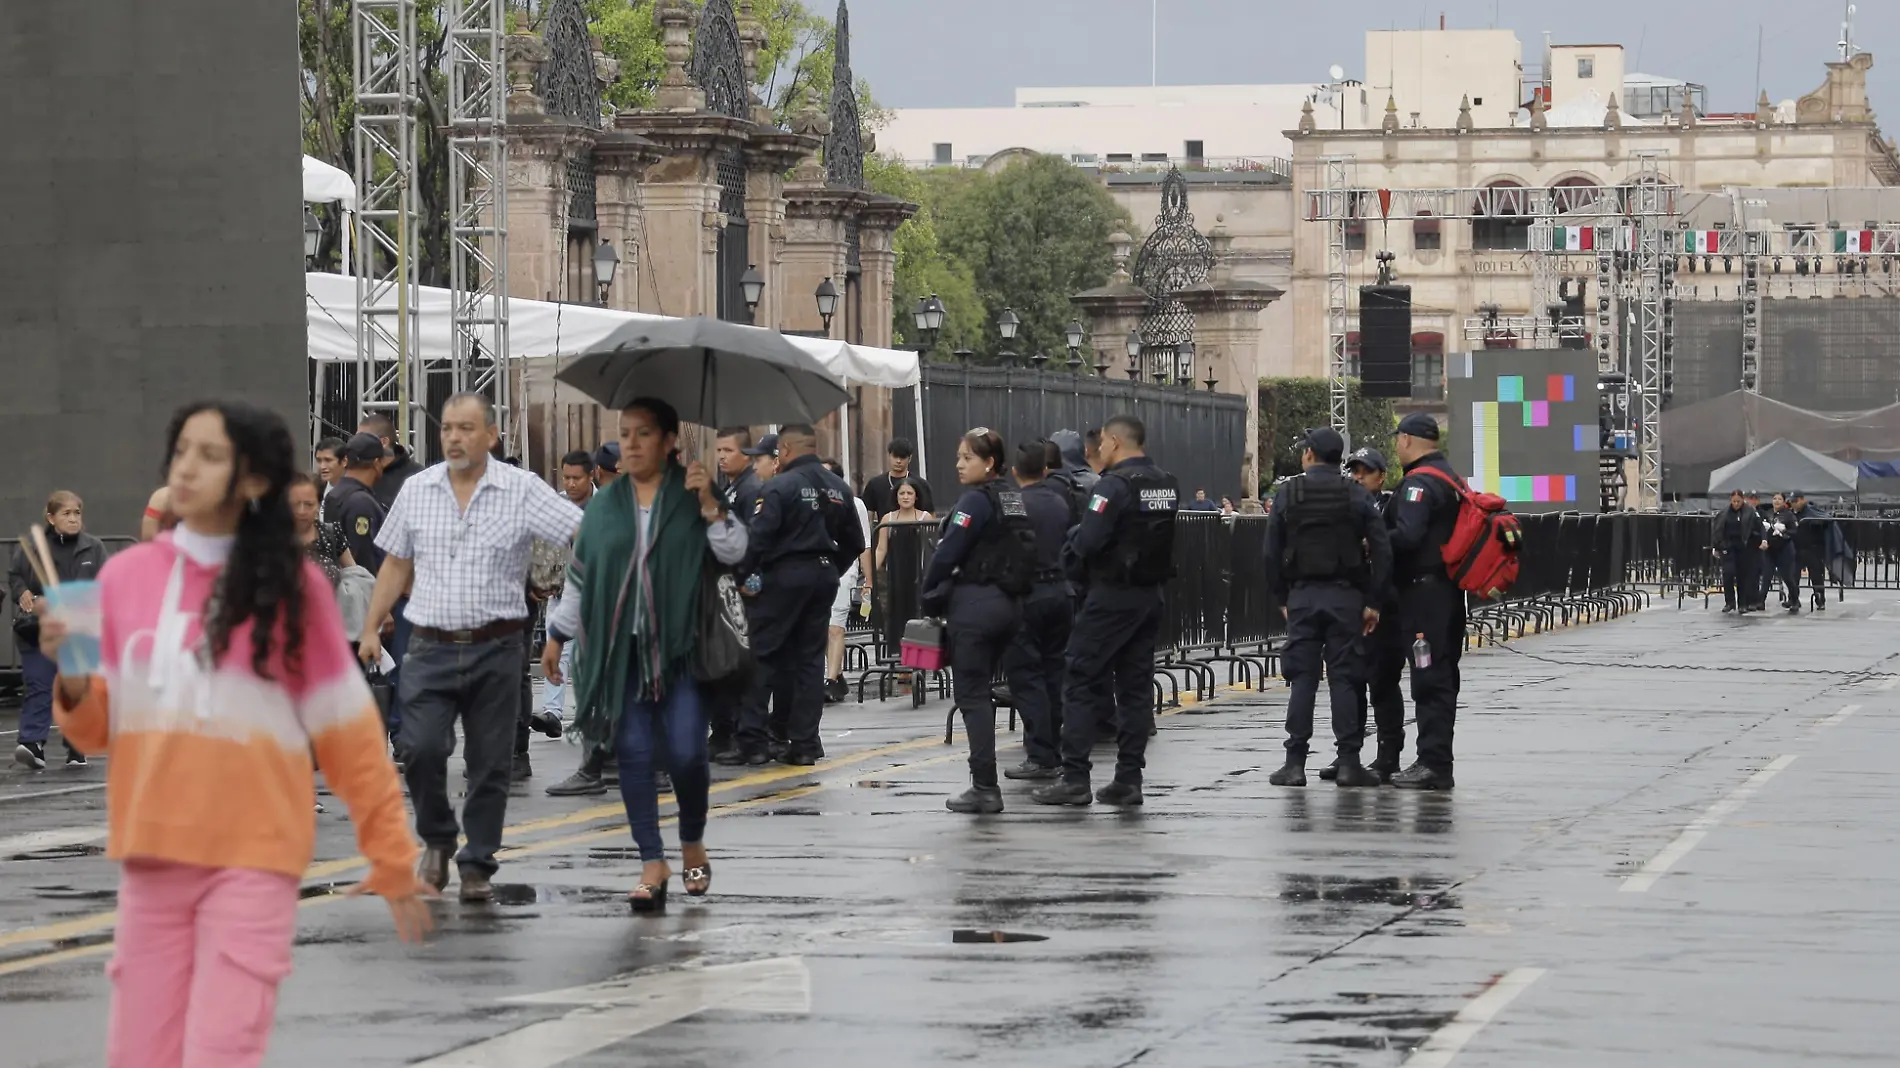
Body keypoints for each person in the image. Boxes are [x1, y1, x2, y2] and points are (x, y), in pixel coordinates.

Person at [47, 399, 430, 1068]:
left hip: (253, 858)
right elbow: (98, 728)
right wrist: (72, 678)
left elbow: (350, 736)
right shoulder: (126, 577)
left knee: (221, 1051)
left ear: (252, 480)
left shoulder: (292, 589)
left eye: (211, 455)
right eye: (183, 451)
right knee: (140, 1056)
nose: (187, 467)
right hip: (152, 855)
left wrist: (391, 855)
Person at [356, 392, 584, 902]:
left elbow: (581, 532)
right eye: (448, 429)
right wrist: (372, 627)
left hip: (497, 646)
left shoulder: (521, 489)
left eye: (466, 428)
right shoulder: (418, 490)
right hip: (430, 646)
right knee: (419, 747)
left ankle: (477, 862)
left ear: (491, 436)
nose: (455, 438)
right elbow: (395, 563)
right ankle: (437, 839)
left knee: (489, 762)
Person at [540, 398, 747, 912]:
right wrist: (558, 636)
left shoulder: (693, 490)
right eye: (624, 434)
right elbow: (582, 576)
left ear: (670, 441)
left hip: (681, 653)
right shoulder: (606, 507)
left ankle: (692, 838)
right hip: (620, 654)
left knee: (685, 753)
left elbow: (736, 552)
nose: (630, 444)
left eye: (643, 434)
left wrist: (710, 508)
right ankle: (652, 861)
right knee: (631, 754)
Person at [1030, 414, 1177, 808]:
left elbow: (1088, 540)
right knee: (1134, 685)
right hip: (1150, 595)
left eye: (1101, 444)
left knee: (1079, 676)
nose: (1098, 451)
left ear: (1114, 441)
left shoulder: (1114, 485)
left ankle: (1075, 776)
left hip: (1111, 595)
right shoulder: (1165, 481)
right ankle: (1129, 778)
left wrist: (1073, 558)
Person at [1263, 429, 1391, 788]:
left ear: (1309, 455)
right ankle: (1349, 761)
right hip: (1346, 597)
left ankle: (1294, 763)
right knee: (1345, 678)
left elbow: (1270, 552)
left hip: (1302, 595)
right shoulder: (1356, 494)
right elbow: (1382, 549)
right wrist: (1373, 602)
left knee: (1302, 678)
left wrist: (1282, 597)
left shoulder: (1290, 492)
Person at [919, 429, 1034, 812]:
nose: (958, 464)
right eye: (958, 456)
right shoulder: (1011, 497)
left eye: (967, 457)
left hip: (976, 604)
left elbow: (948, 551)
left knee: (972, 694)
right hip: (1010, 604)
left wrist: (928, 593)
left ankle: (984, 785)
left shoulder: (975, 501)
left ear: (989, 463)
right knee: (986, 688)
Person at [738, 424, 865, 767]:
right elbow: (855, 541)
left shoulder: (780, 487)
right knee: (809, 661)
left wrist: (743, 577)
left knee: (764, 654)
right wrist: (828, 568)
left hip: (784, 577)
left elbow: (758, 539)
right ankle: (805, 742)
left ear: (786, 450)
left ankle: (752, 740)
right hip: (822, 575)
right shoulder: (840, 488)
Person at [1386, 412, 1465, 791]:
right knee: (1443, 676)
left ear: (1406, 440)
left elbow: (1408, 535)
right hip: (1447, 594)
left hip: (1424, 596)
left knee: (1428, 677)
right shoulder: (1451, 477)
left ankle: (1433, 763)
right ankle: (1436, 759)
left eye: (1397, 439)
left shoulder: (1419, 485)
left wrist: (1371, 540)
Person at [1319, 446, 1407, 784]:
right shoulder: (1343, 507)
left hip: (1384, 606)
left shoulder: (1390, 507)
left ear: (1381, 476)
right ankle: (1348, 754)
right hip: (1348, 605)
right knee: (1348, 680)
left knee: (1383, 682)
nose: (1357, 477)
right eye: (1353, 470)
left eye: (1365, 471)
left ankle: (1388, 755)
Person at [9, 491, 105, 770]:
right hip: (39, 629)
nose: (73, 518)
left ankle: (76, 745)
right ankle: (31, 743)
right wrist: (23, 592)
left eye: (77, 513)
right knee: (39, 684)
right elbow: (15, 575)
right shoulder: (33, 547)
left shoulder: (94, 548)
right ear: (51, 518)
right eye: (66, 513)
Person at [1000, 441, 1077, 783]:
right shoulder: (1060, 502)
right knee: (1054, 671)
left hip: (1027, 593)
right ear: (1046, 470)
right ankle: (1055, 746)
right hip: (1060, 590)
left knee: (1026, 675)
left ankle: (1041, 753)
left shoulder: (1013, 502)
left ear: (1015, 472)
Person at [822, 459, 874, 704]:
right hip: (818, 570)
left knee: (835, 626)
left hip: (844, 569)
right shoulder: (810, 503)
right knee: (823, 627)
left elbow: (863, 544)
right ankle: (838, 675)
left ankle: (831, 680)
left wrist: (868, 581)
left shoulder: (855, 504)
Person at [288, 474, 354, 587]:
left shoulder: (331, 533)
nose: (301, 511)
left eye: (308, 504)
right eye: (296, 504)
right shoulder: (277, 538)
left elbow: (354, 574)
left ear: (318, 505)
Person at [358, 413, 423, 511]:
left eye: (363, 439)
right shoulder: (357, 472)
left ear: (384, 442)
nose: (357, 444)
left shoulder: (417, 476)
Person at [1714, 489, 1765, 615]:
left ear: (1743, 500)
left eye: (1738, 501)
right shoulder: (1724, 513)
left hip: (1744, 547)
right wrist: (1716, 546)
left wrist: (1762, 540)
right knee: (1728, 574)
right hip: (1728, 546)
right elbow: (1717, 530)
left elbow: (1759, 526)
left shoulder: (1750, 512)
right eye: (1734, 501)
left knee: (1742, 576)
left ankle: (1742, 603)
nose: (1736, 504)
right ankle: (1729, 602)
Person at [859, 438, 934, 517]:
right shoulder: (875, 484)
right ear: (889, 455)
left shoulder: (921, 484)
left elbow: (930, 515)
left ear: (910, 458)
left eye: (902, 457)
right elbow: (868, 515)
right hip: (885, 527)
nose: (898, 461)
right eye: (895, 456)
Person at [874, 479, 933, 572]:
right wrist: (869, 578)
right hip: (894, 573)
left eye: (909, 493)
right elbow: (881, 549)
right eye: (902, 493)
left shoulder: (925, 517)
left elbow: (930, 549)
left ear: (916, 496)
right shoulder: (887, 519)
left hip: (920, 573)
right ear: (896, 496)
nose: (905, 497)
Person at [1790, 491, 1833, 612]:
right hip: (1797, 548)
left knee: (1816, 576)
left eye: (1796, 501)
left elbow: (1825, 520)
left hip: (1813, 549)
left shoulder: (1811, 510)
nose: (1794, 504)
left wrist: (1815, 523)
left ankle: (1820, 599)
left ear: (1802, 499)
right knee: (1793, 576)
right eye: (1792, 502)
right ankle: (1793, 599)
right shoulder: (1792, 513)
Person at [1761, 492, 1798, 612]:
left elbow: (1795, 531)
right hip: (1770, 549)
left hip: (1784, 549)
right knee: (1766, 576)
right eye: (1774, 499)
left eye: (1779, 499)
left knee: (1787, 576)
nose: (1776, 501)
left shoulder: (1788, 515)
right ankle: (1761, 601)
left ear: (1783, 501)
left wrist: (1784, 532)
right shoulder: (1768, 513)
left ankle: (1795, 600)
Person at [314, 436, 346, 523]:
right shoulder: (316, 487)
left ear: (344, 461)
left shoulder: (354, 493)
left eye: (328, 460)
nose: (322, 467)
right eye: (319, 461)